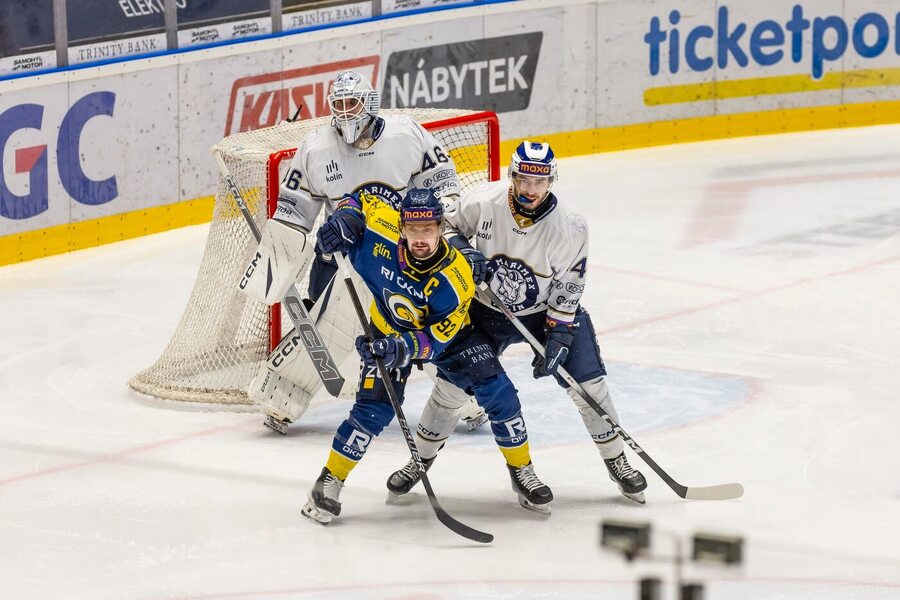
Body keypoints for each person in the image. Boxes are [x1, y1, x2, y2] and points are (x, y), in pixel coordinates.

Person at [385, 141, 649, 505]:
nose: (530, 189)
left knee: (590, 386)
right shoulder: (483, 201)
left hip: (544, 313)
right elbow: (443, 225)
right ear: (512, 175)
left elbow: (570, 282)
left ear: (551, 181)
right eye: (523, 179)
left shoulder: (570, 226)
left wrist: (558, 334)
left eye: (538, 183)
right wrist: (462, 248)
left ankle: (616, 461)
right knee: (450, 388)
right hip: (483, 309)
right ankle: (420, 460)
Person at [237, 69, 486, 433]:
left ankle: (465, 395)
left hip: (410, 255)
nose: (344, 112)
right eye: (337, 104)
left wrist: (453, 243)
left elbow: (443, 191)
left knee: (430, 325)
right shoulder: (316, 147)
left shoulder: (406, 135)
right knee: (330, 327)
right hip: (350, 256)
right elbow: (293, 210)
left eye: (351, 103)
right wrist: (282, 257)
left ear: (369, 103)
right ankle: (281, 397)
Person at [300, 187, 477, 524]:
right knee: (373, 410)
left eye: (428, 229)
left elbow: (437, 340)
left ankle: (512, 464)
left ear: (442, 227)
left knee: (478, 387)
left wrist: (400, 349)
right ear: (400, 227)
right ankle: (328, 482)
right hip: (384, 328)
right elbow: (359, 198)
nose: (421, 237)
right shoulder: (380, 229)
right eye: (413, 229)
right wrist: (345, 217)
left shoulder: (456, 279)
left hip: (435, 339)